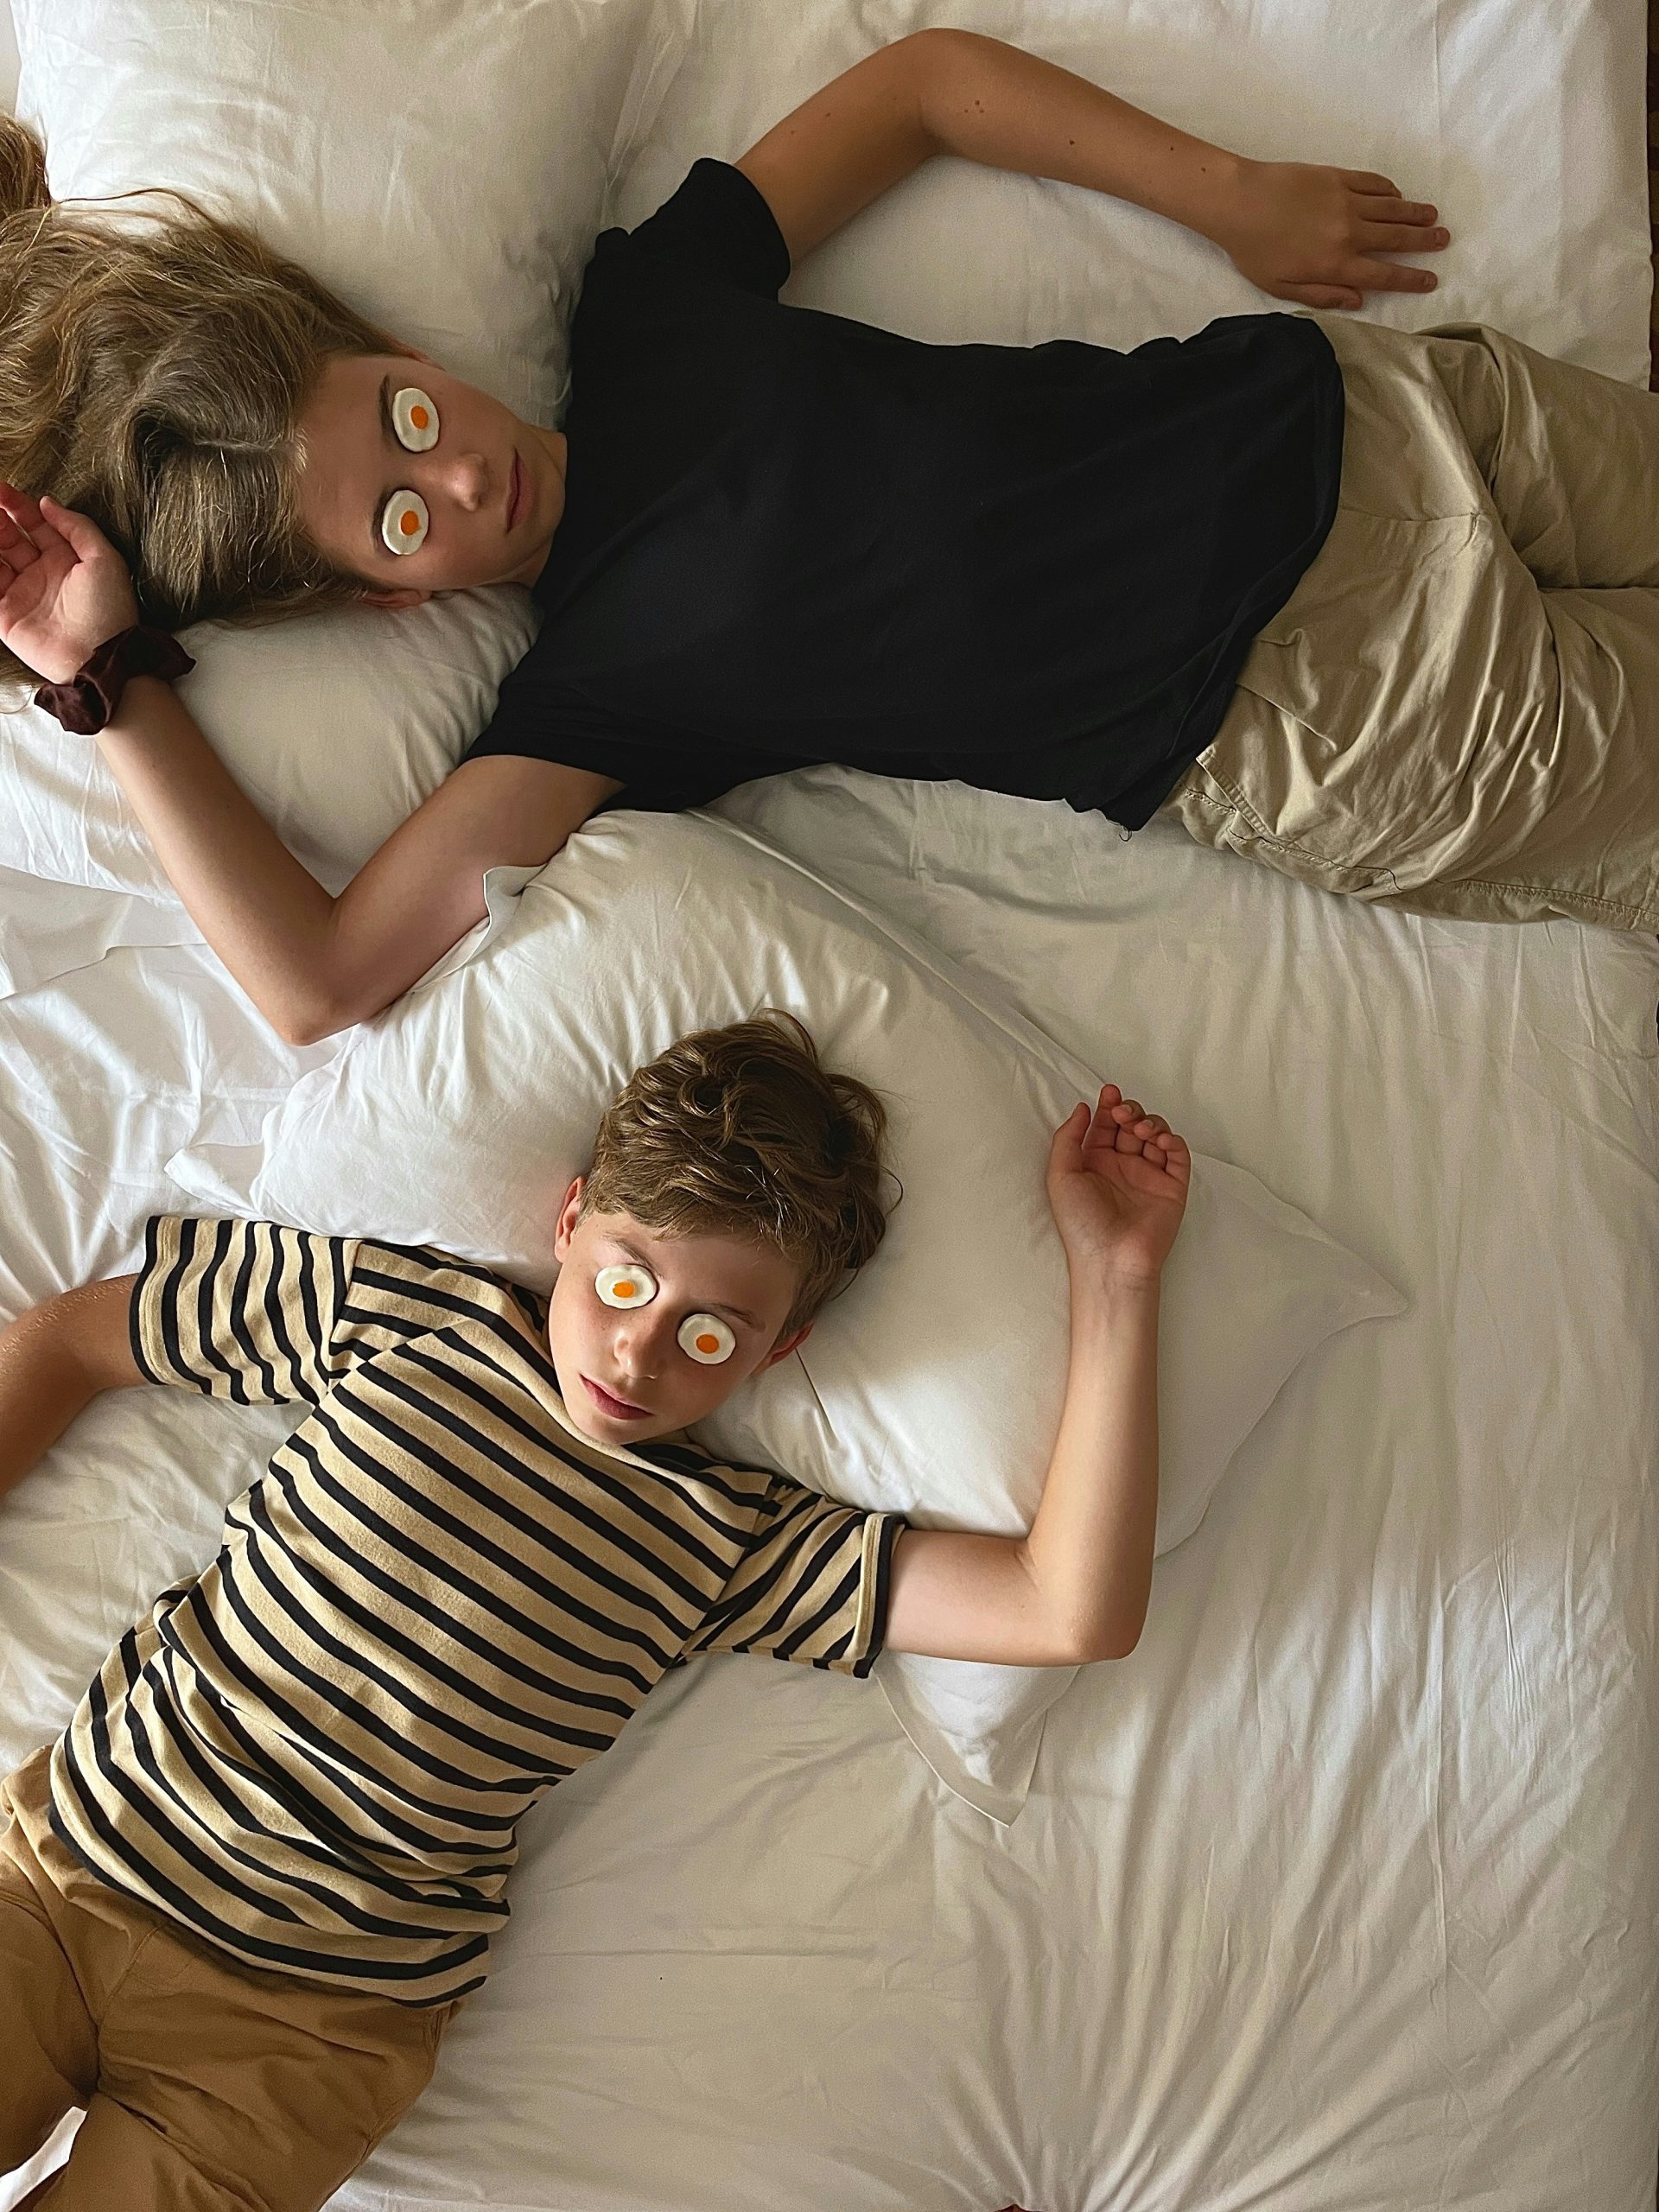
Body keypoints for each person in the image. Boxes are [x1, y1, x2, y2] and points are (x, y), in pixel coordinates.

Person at [0, 28, 1482, 1045]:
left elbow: (921, 87)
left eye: (403, 418)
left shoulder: (649, 313)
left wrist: (1229, 196)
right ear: (391, 603)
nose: (454, 478)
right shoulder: (592, 702)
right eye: (401, 521)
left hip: (1365, 407)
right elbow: (318, 984)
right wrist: (103, 673)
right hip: (1341, 712)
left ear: (404, 350)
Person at [0, 1011, 1190, 2209]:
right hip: (65, 1877)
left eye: (710, 1332)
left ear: (781, 1351)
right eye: (627, 1278)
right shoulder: (399, 1322)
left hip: (301, 2035)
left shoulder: (734, 1542)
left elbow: (1068, 1607)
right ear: (571, 1222)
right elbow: (72, 1342)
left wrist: (1120, 1277)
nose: (636, 1355)